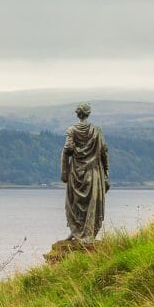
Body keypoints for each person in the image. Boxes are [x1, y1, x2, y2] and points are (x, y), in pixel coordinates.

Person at [61, 103, 109, 245]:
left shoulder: (72, 130)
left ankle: (76, 230)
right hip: (92, 172)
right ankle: (86, 232)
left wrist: (67, 159)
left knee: (75, 201)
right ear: (88, 114)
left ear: (77, 114)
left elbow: (68, 148)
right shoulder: (96, 131)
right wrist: (106, 173)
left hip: (76, 171)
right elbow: (103, 152)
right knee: (91, 202)